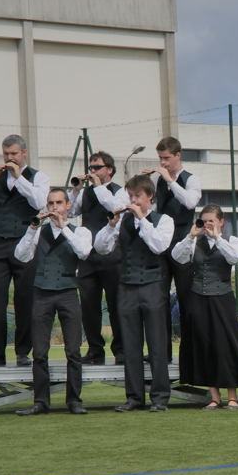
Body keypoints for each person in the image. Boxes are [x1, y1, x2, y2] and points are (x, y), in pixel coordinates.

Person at [94, 174, 175, 412]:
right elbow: (100, 248)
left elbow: (159, 246)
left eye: (137, 196)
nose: (133, 201)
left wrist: (141, 218)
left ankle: (160, 398)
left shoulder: (164, 220)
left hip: (153, 285)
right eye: (130, 196)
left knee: (157, 344)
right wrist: (111, 225)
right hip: (127, 286)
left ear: (150, 197)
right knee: (130, 345)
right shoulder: (122, 221)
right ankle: (134, 397)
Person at [0, 134, 49, 366]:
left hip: (26, 241)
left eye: (14, 153)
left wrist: (19, 177)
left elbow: (39, 202)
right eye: (6, 154)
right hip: (0, 242)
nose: (9, 158)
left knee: (24, 298)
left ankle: (23, 351)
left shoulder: (38, 177)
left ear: (24, 153)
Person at [13, 188, 93, 416]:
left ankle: (74, 400)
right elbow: (21, 255)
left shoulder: (81, 231)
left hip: (68, 292)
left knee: (73, 351)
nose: (54, 207)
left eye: (58, 203)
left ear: (68, 205)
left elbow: (84, 252)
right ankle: (41, 401)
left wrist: (63, 227)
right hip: (42, 293)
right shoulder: (39, 231)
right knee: (39, 352)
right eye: (51, 203)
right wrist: (31, 229)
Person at [172, 204, 238, 410]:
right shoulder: (194, 241)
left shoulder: (231, 240)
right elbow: (177, 257)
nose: (207, 224)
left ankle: (233, 396)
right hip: (198, 298)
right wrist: (190, 236)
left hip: (222, 298)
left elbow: (235, 258)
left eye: (211, 220)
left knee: (226, 345)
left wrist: (217, 238)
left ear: (221, 222)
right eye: (204, 220)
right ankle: (214, 397)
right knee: (204, 345)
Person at [144, 136, 202, 360]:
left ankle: (190, 353)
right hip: (162, 245)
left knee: (187, 298)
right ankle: (161, 353)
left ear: (178, 155)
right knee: (159, 301)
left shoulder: (191, 179)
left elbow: (190, 202)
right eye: (160, 158)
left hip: (184, 243)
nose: (163, 162)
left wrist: (170, 180)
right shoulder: (158, 180)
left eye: (167, 158)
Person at [70, 151, 129, 365]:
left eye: (97, 167)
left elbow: (115, 208)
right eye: (91, 168)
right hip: (88, 254)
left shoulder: (120, 191)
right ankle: (95, 350)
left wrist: (98, 186)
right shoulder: (87, 192)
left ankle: (121, 350)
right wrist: (76, 190)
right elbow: (71, 212)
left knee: (116, 304)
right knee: (88, 306)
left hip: (113, 254)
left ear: (109, 170)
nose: (93, 171)